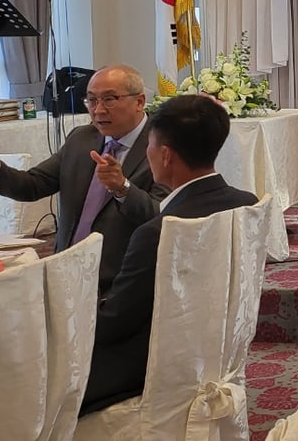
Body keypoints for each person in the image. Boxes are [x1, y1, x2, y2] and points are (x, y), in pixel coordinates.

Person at [82, 93, 257, 414]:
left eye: (148, 145)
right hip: (212, 354)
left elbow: (112, 327)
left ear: (164, 156)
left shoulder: (157, 233)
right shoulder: (246, 202)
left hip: (148, 369)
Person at [0, 65, 166, 293]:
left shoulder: (163, 145)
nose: (99, 110)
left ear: (140, 102)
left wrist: (122, 188)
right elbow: (32, 185)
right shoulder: (81, 139)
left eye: (110, 99)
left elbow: (161, 218)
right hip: (64, 272)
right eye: (91, 100)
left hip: (123, 284)